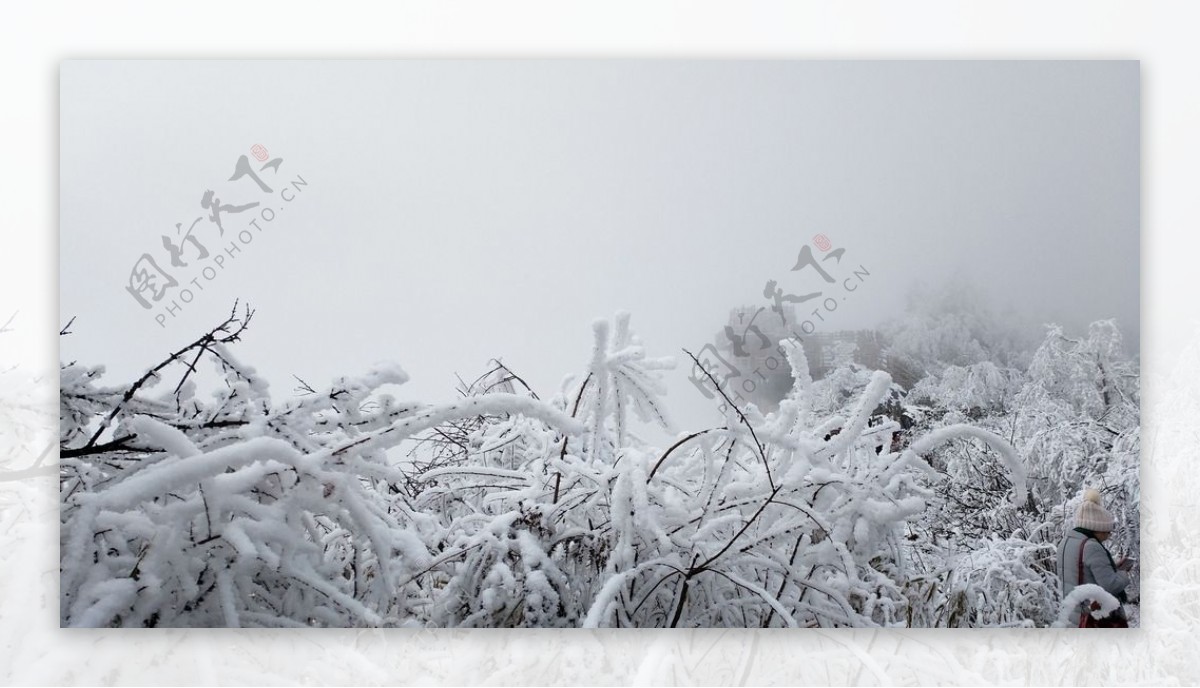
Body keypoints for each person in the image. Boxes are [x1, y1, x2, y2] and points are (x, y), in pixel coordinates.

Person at [1057, 488, 1133, 627]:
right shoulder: (1092, 546)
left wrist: (1112, 567)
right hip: (1093, 618)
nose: (1109, 535)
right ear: (1096, 528)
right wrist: (1123, 574)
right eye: (1107, 531)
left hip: (1073, 615)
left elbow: (1085, 572)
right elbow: (1110, 586)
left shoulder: (1066, 541)